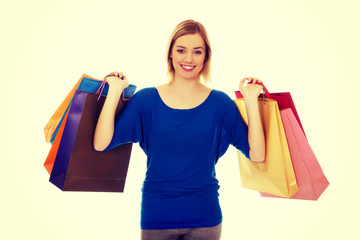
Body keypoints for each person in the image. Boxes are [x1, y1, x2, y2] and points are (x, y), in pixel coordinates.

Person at [94, 19, 265, 240]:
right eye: (181, 50)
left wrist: (251, 99)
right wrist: (115, 90)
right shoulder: (146, 100)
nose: (188, 59)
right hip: (156, 217)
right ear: (171, 54)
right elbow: (101, 143)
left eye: (197, 52)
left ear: (205, 57)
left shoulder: (220, 104)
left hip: (205, 219)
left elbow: (257, 155)